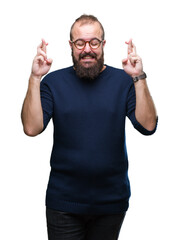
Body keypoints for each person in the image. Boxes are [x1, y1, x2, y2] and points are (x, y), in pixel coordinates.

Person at [21, 14, 158, 240]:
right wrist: (35, 78)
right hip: (63, 203)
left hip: (111, 202)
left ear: (103, 44)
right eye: (80, 43)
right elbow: (31, 128)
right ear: (71, 46)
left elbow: (148, 126)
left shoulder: (124, 81)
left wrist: (139, 77)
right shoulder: (53, 83)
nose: (87, 49)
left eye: (94, 42)